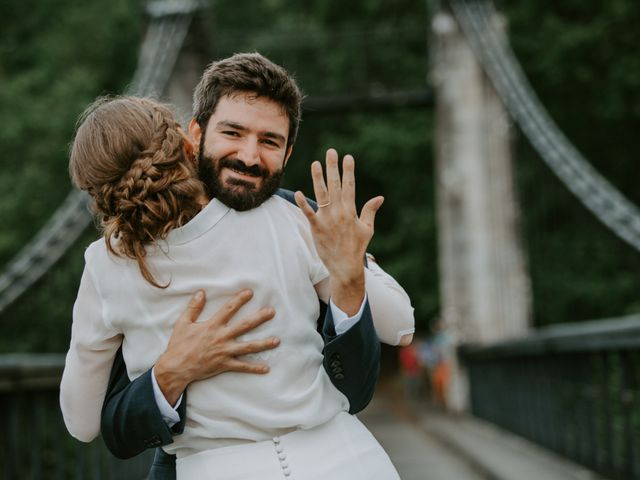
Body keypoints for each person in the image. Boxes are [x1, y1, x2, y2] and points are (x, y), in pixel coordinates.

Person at [61, 54, 413, 479]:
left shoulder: (104, 263)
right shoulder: (286, 218)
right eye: (232, 133)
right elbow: (401, 325)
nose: (248, 156)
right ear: (189, 138)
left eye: (269, 141)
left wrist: (350, 267)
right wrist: (169, 374)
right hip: (347, 460)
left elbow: (80, 422)